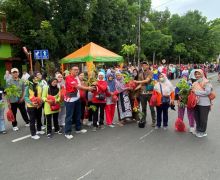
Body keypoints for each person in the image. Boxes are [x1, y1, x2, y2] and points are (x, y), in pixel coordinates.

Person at [64, 66, 94, 139]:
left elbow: (80, 85)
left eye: (77, 70)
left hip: (77, 98)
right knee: (69, 116)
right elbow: (78, 86)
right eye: (75, 70)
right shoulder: (68, 78)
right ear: (71, 70)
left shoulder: (77, 77)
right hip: (70, 100)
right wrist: (88, 88)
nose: (76, 71)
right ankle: (67, 132)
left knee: (78, 114)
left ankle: (78, 129)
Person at [192, 69, 212, 138]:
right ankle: (198, 129)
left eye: (198, 74)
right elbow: (192, 91)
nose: (197, 75)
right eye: (196, 74)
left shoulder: (206, 82)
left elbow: (207, 92)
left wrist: (196, 92)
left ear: (202, 74)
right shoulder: (195, 83)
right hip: (196, 103)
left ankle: (202, 131)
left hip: (204, 103)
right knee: (197, 117)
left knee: (203, 118)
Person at [135, 62, 156, 127]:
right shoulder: (140, 74)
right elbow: (141, 84)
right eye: (143, 65)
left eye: (145, 65)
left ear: (148, 66)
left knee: (152, 108)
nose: (144, 66)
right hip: (142, 93)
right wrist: (135, 88)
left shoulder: (151, 72)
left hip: (150, 93)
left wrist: (137, 81)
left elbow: (147, 80)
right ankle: (144, 120)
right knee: (143, 108)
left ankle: (154, 121)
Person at [25, 75, 45, 140]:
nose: (36, 79)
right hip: (31, 106)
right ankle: (33, 134)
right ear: (31, 79)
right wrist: (31, 103)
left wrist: (41, 101)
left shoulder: (39, 85)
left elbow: (41, 95)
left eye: (36, 78)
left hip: (38, 105)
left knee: (39, 118)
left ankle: (39, 129)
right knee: (32, 120)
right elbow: (26, 97)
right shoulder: (28, 87)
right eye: (35, 78)